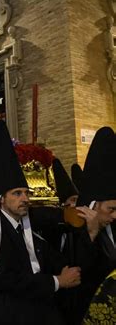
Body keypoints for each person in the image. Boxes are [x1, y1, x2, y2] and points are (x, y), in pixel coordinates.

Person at [0, 120, 81, 325]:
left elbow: (51, 258)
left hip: (25, 307)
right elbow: (5, 279)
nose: (25, 198)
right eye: (17, 193)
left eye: (26, 193)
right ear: (1, 199)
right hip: (0, 314)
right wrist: (57, 281)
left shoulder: (24, 225)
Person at [69, 127, 116, 323]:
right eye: (111, 209)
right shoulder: (74, 226)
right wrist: (92, 233)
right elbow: (79, 276)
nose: (115, 216)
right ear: (94, 205)